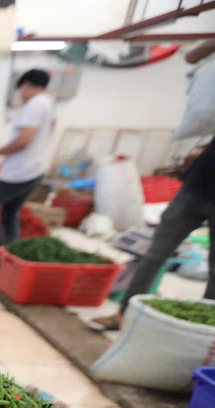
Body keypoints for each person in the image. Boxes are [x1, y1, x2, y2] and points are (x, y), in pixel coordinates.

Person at [92, 39, 215, 331]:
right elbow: (192, 57)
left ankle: (204, 332)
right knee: (155, 253)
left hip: (199, 189)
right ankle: (125, 313)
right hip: (195, 187)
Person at [0, 69, 54, 261]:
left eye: (21, 90)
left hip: (21, 171)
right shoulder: (49, 104)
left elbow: (24, 140)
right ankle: (11, 253)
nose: (21, 94)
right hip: (34, 169)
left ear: (26, 85)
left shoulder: (35, 105)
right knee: (10, 212)